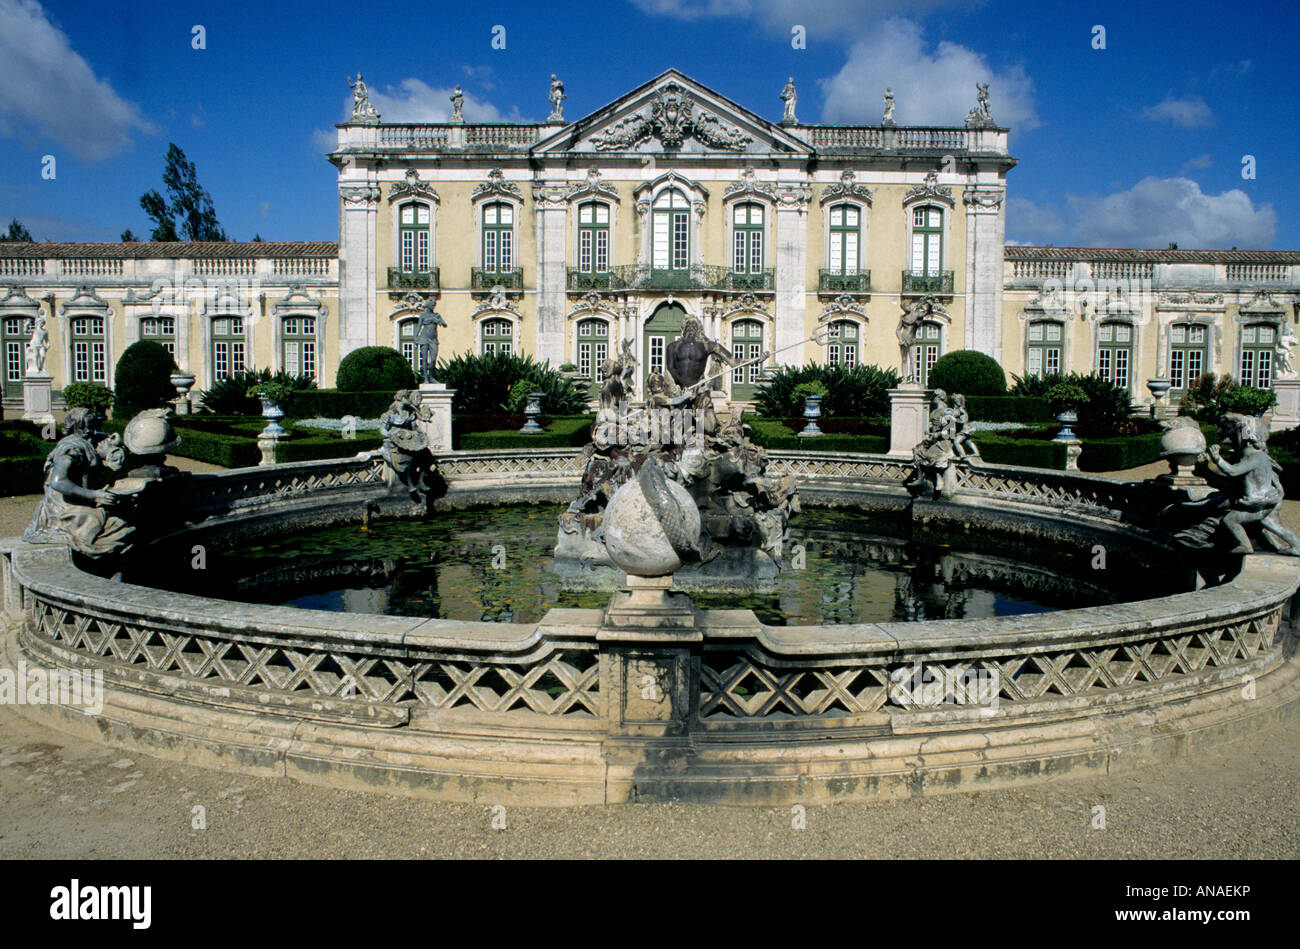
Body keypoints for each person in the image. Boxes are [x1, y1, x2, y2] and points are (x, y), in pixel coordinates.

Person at [24, 408, 133, 556]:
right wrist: (94, 495)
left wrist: (112, 449)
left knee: (127, 509)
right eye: (89, 426)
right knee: (114, 524)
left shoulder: (91, 440)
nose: (93, 431)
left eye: (94, 427)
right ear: (79, 426)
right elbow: (58, 482)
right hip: (65, 506)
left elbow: (116, 463)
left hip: (83, 499)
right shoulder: (70, 448)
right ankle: (104, 565)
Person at [414, 301, 447, 384]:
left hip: (433, 339)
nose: (434, 306)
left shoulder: (436, 315)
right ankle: (426, 378)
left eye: (434, 305)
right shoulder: (423, 316)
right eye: (432, 305)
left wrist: (437, 320)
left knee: (433, 360)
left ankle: (431, 377)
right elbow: (418, 327)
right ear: (428, 306)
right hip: (424, 338)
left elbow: (445, 324)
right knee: (424, 359)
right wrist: (415, 339)